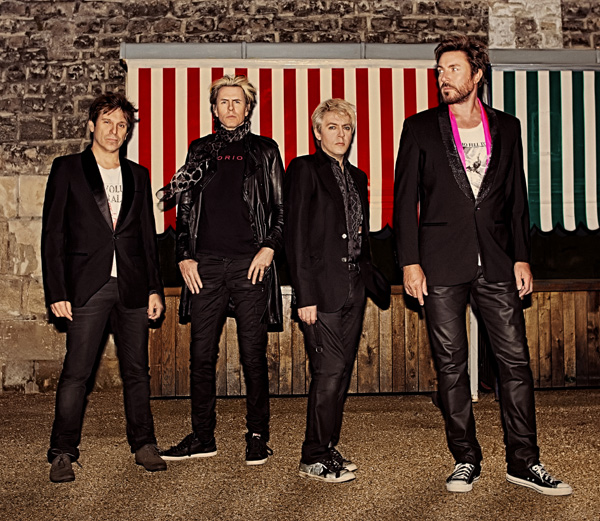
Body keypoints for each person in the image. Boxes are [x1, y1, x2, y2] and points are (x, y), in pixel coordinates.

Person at [393, 35, 572, 496]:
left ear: (477, 75)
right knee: (451, 366)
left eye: (453, 69)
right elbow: (404, 201)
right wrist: (410, 262)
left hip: (497, 262)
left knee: (515, 362)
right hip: (439, 264)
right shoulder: (419, 128)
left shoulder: (507, 127)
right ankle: (465, 458)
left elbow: (516, 199)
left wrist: (522, 256)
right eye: (439, 71)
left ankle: (524, 461)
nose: (443, 77)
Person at [158, 75, 284, 466]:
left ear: (248, 108)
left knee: (253, 356)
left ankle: (258, 435)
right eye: (224, 102)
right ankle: (202, 436)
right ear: (214, 108)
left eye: (238, 102)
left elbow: (282, 209)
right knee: (200, 355)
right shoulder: (199, 150)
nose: (231, 108)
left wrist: (269, 247)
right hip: (206, 265)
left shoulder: (264, 150)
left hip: (250, 265)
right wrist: (183, 255)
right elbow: (183, 210)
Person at [42, 92, 166, 483]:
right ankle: (62, 451)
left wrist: (154, 288)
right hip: (86, 287)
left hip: (132, 287)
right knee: (76, 373)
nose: (114, 131)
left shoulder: (138, 175)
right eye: (107, 122)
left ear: (128, 132)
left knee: (137, 372)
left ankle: (144, 443)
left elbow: (147, 237)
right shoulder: (67, 169)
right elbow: (53, 235)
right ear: (92, 126)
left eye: (122, 125)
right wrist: (57, 292)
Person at [285, 99, 390, 483]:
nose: (340, 134)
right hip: (321, 291)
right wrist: (305, 296)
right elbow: (296, 237)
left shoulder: (358, 176)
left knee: (341, 372)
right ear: (317, 132)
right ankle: (312, 456)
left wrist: (369, 276)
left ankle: (327, 445)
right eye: (332, 127)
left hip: (354, 288)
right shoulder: (303, 169)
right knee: (328, 371)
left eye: (346, 127)